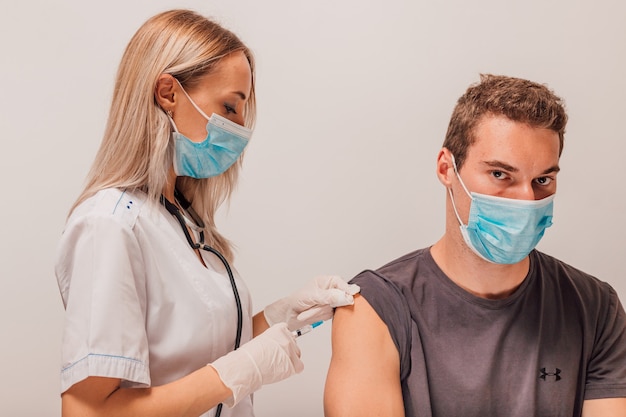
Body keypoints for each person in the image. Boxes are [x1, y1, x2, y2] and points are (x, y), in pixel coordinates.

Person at [55, 9, 359, 417]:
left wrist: (280, 319)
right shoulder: (109, 224)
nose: (239, 129)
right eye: (230, 108)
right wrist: (237, 372)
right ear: (168, 93)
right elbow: (88, 411)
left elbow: (192, 352)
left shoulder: (180, 219)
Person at [324, 74, 626, 417]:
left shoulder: (595, 308)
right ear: (446, 168)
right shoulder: (376, 309)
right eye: (500, 174)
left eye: (542, 180)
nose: (526, 199)